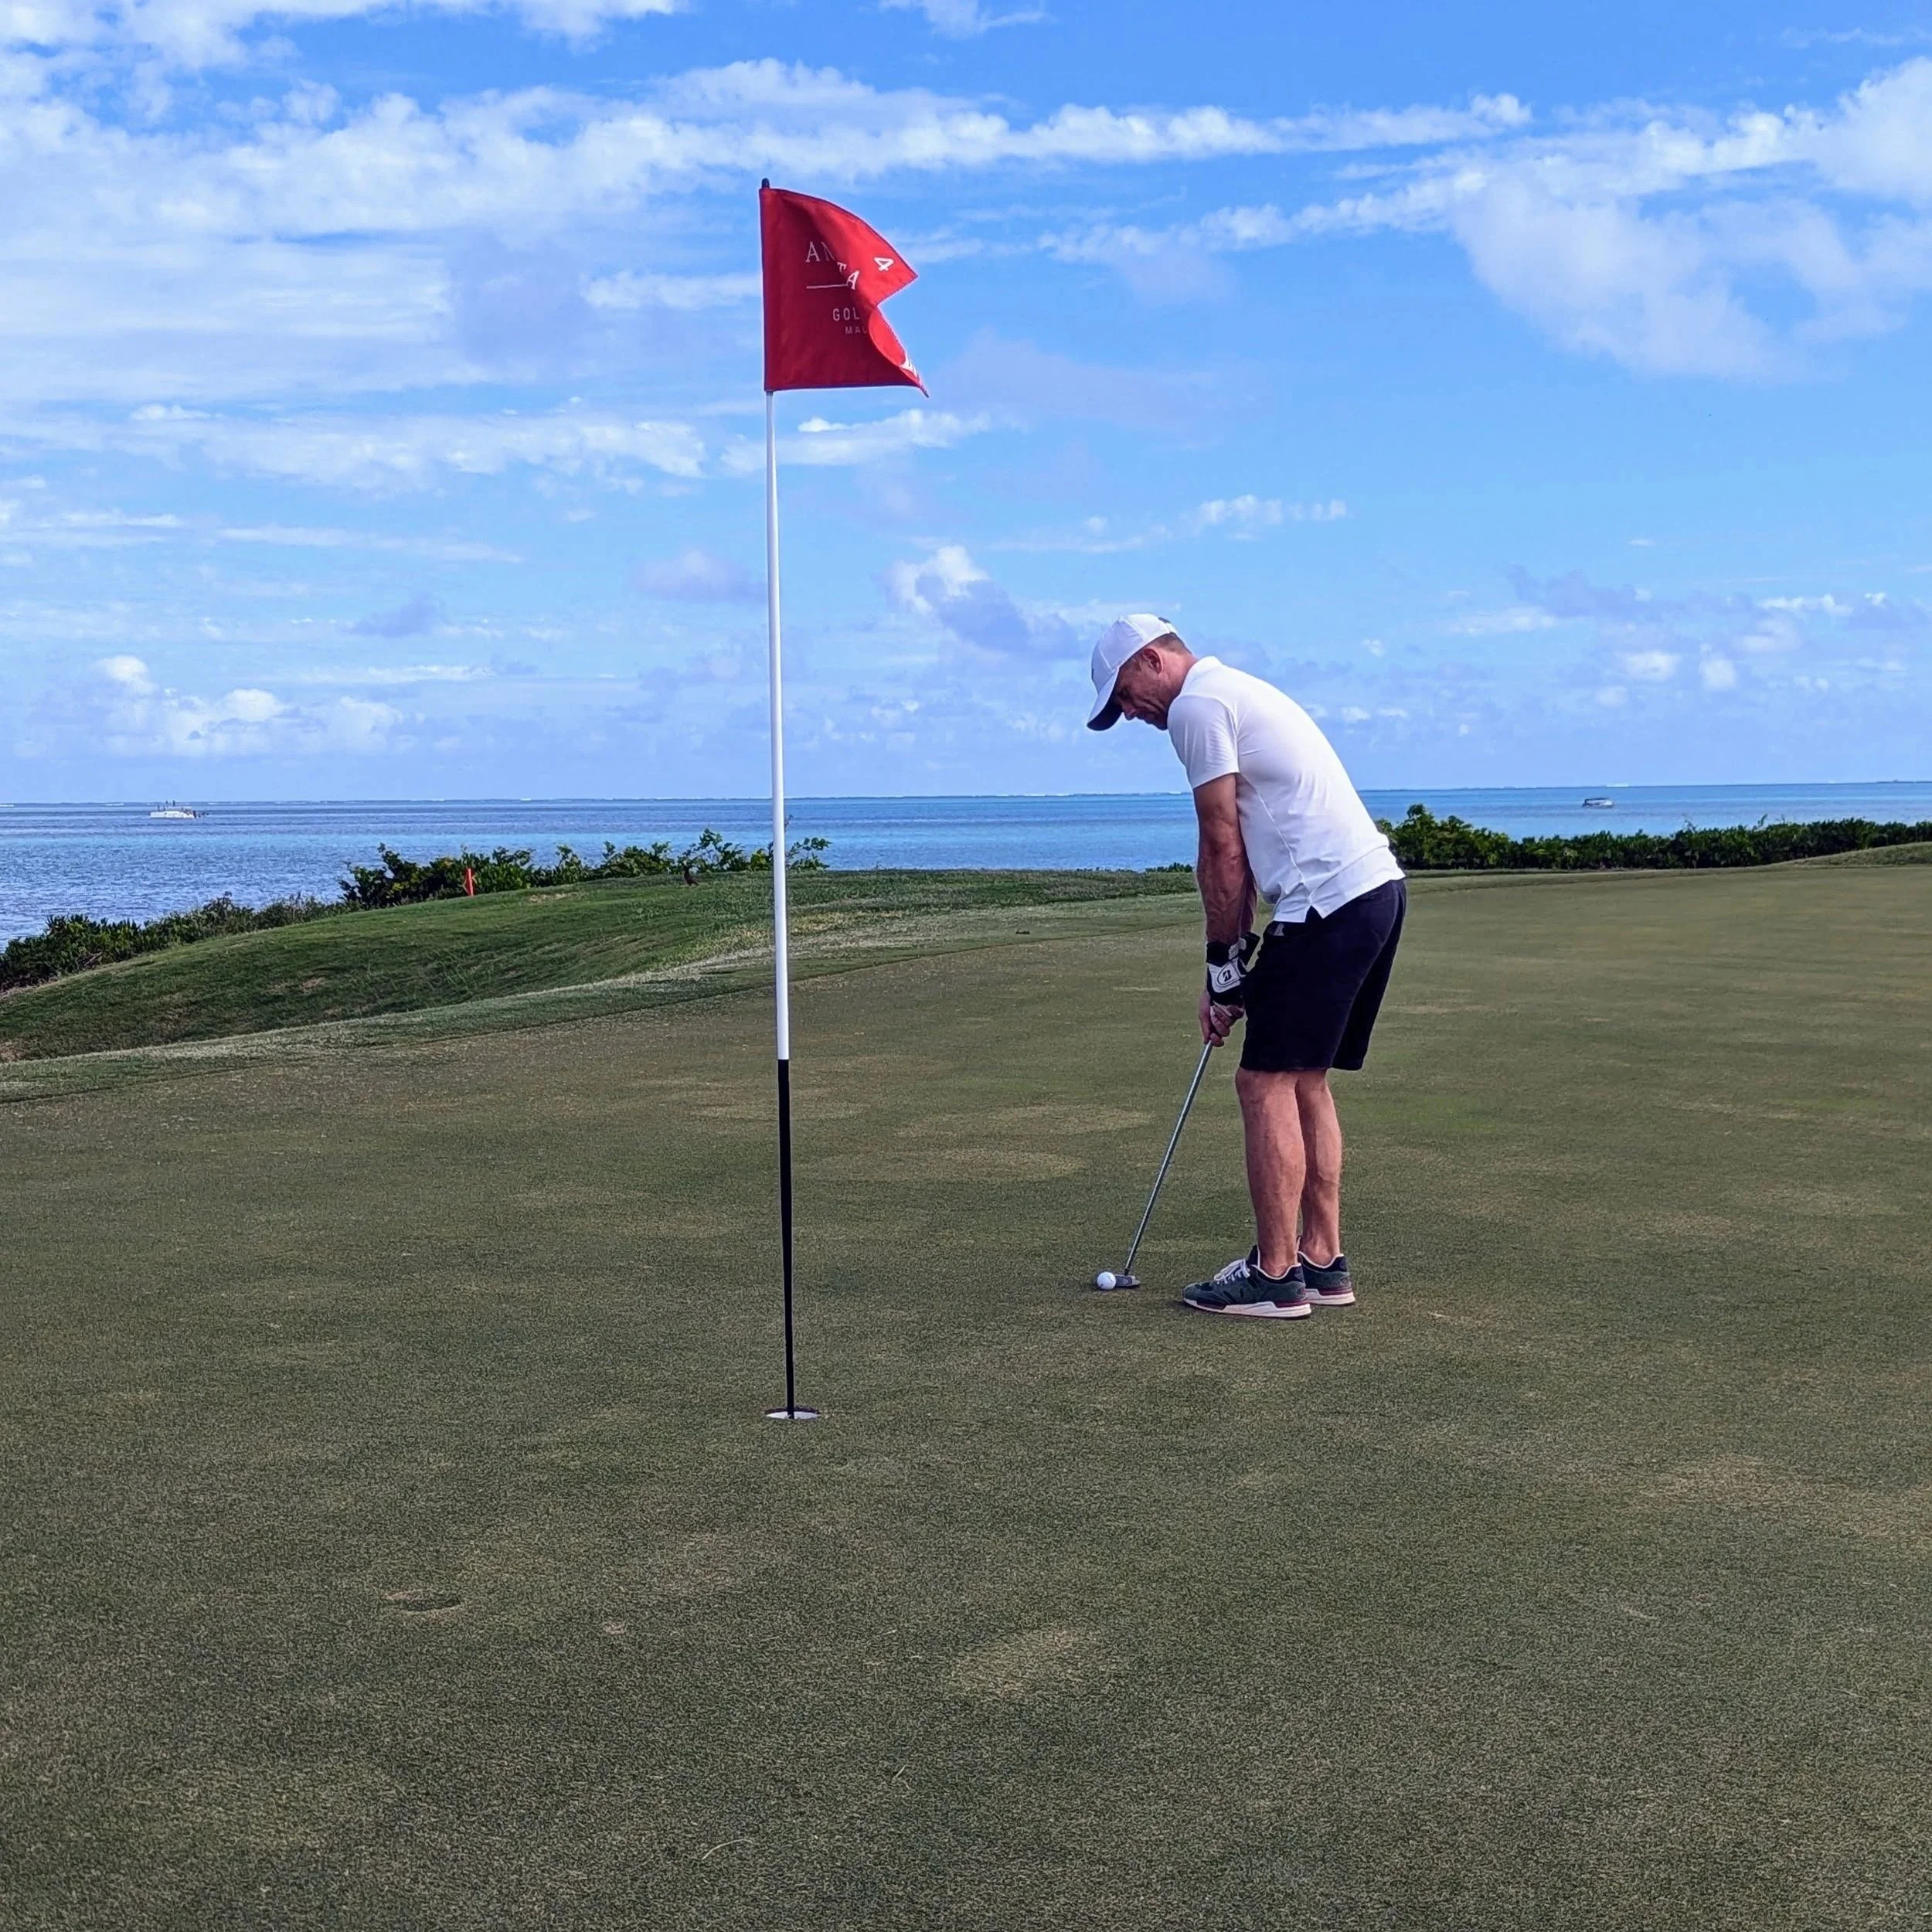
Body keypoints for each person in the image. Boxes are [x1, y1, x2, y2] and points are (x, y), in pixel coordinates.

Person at [1087, 614, 1406, 1319]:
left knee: (1261, 1083)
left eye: (1124, 695)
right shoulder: (1234, 692)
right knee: (1303, 1082)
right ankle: (1322, 1262)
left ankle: (1275, 1275)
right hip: (1374, 892)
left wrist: (1220, 965)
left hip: (1326, 904)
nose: (1129, 713)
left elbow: (1222, 849)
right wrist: (1229, 967)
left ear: (1150, 660)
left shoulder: (1196, 708)